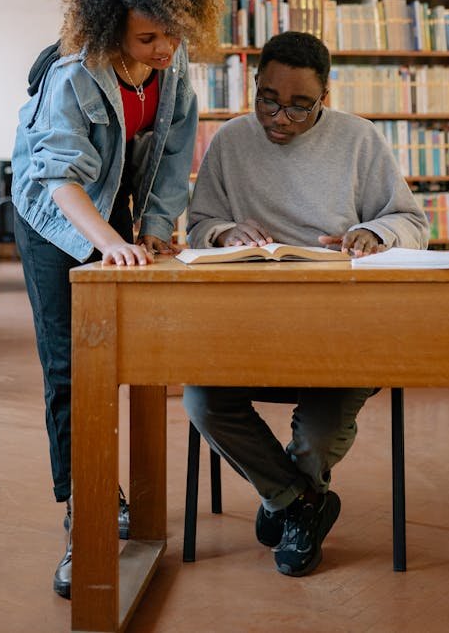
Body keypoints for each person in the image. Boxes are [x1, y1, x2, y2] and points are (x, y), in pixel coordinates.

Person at [11, 0, 221, 599]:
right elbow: (59, 178)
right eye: (148, 37)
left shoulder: (173, 59)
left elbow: (173, 154)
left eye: (174, 35)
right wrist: (108, 242)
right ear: (111, 28)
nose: (165, 50)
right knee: (70, 365)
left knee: (130, 355)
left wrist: (153, 233)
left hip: (113, 206)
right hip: (54, 213)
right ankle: (86, 516)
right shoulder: (75, 72)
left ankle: (125, 492)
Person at [183, 30, 429, 578]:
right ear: (255, 85)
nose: (280, 118)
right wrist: (224, 233)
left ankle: (286, 498)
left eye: (300, 106)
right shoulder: (229, 142)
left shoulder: (360, 140)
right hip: (248, 325)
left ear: (326, 98)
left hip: (343, 327)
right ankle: (301, 504)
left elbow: (412, 222)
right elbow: (197, 227)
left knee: (319, 434)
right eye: (268, 99)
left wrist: (374, 233)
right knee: (201, 401)